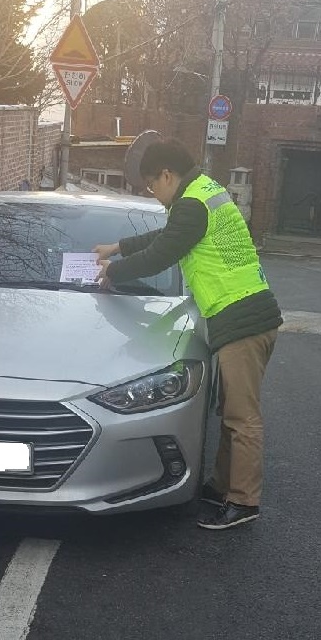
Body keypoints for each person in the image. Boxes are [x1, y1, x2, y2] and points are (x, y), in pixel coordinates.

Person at [94, 139, 282, 530]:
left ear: (168, 175)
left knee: (241, 417)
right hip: (246, 315)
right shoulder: (200, 194)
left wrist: (114, 271)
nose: (152, 193)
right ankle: (223, 486)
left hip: (242, 317)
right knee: (230, 411)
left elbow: (162, 253)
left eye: (151, 184)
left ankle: (245, 502)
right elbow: (166, 237)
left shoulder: (193, 204)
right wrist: (118, 246)